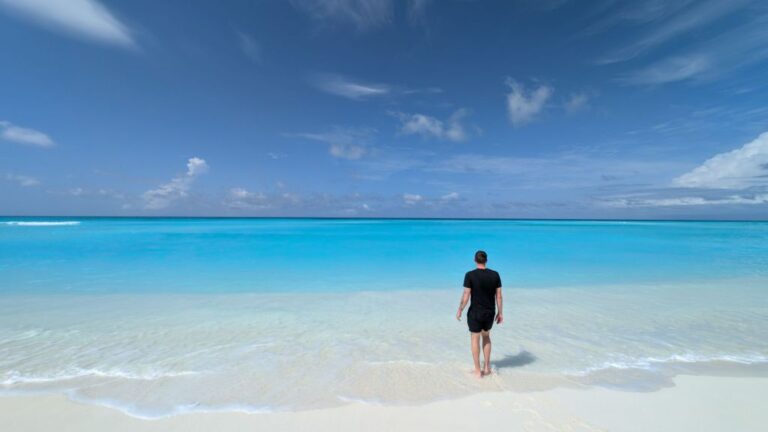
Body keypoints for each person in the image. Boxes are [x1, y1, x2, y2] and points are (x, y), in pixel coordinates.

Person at [456, 250, 503, 378]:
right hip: (489, 312)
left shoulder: (469, 275)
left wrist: (460, 309)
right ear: (486, 260)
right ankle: (487, 368)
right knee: (486, 336)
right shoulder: (495, 275)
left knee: (475, 339)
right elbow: (499, 296)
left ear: (475, 260)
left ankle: (478, 371)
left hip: (475, 313)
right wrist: (500, 313)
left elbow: (466, 295)